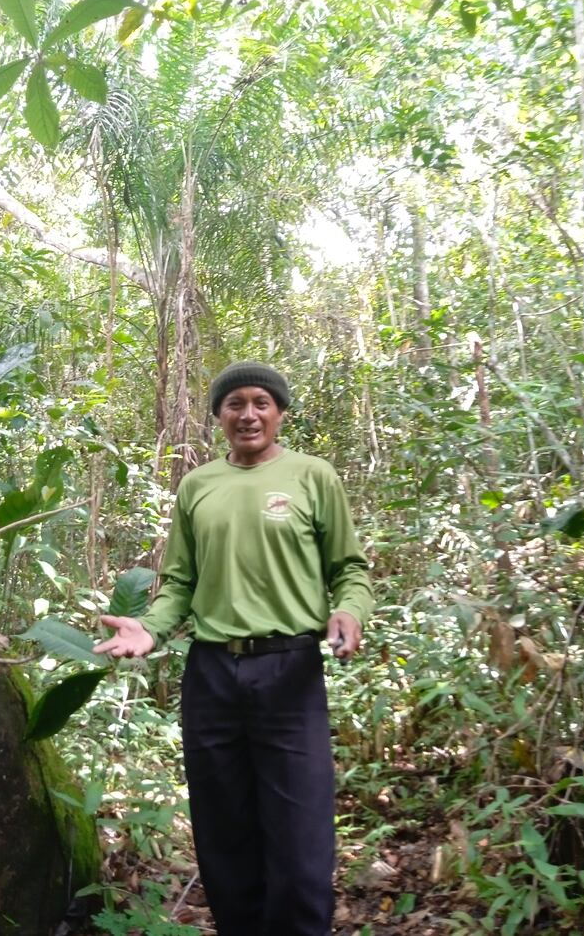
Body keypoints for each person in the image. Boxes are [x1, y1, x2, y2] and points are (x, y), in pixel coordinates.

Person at [94, 360, 374, 936]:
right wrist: (151, 629)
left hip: (289, 669)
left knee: (300, 837)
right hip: (213, 673)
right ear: (219, 416)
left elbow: (350, 571)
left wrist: (349, 611)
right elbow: (179, 584)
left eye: (261, 402)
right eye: (235, 404)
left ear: (279, 412)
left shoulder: (312, 476)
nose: (248, 414)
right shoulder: (198, 485)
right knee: (224, 833)